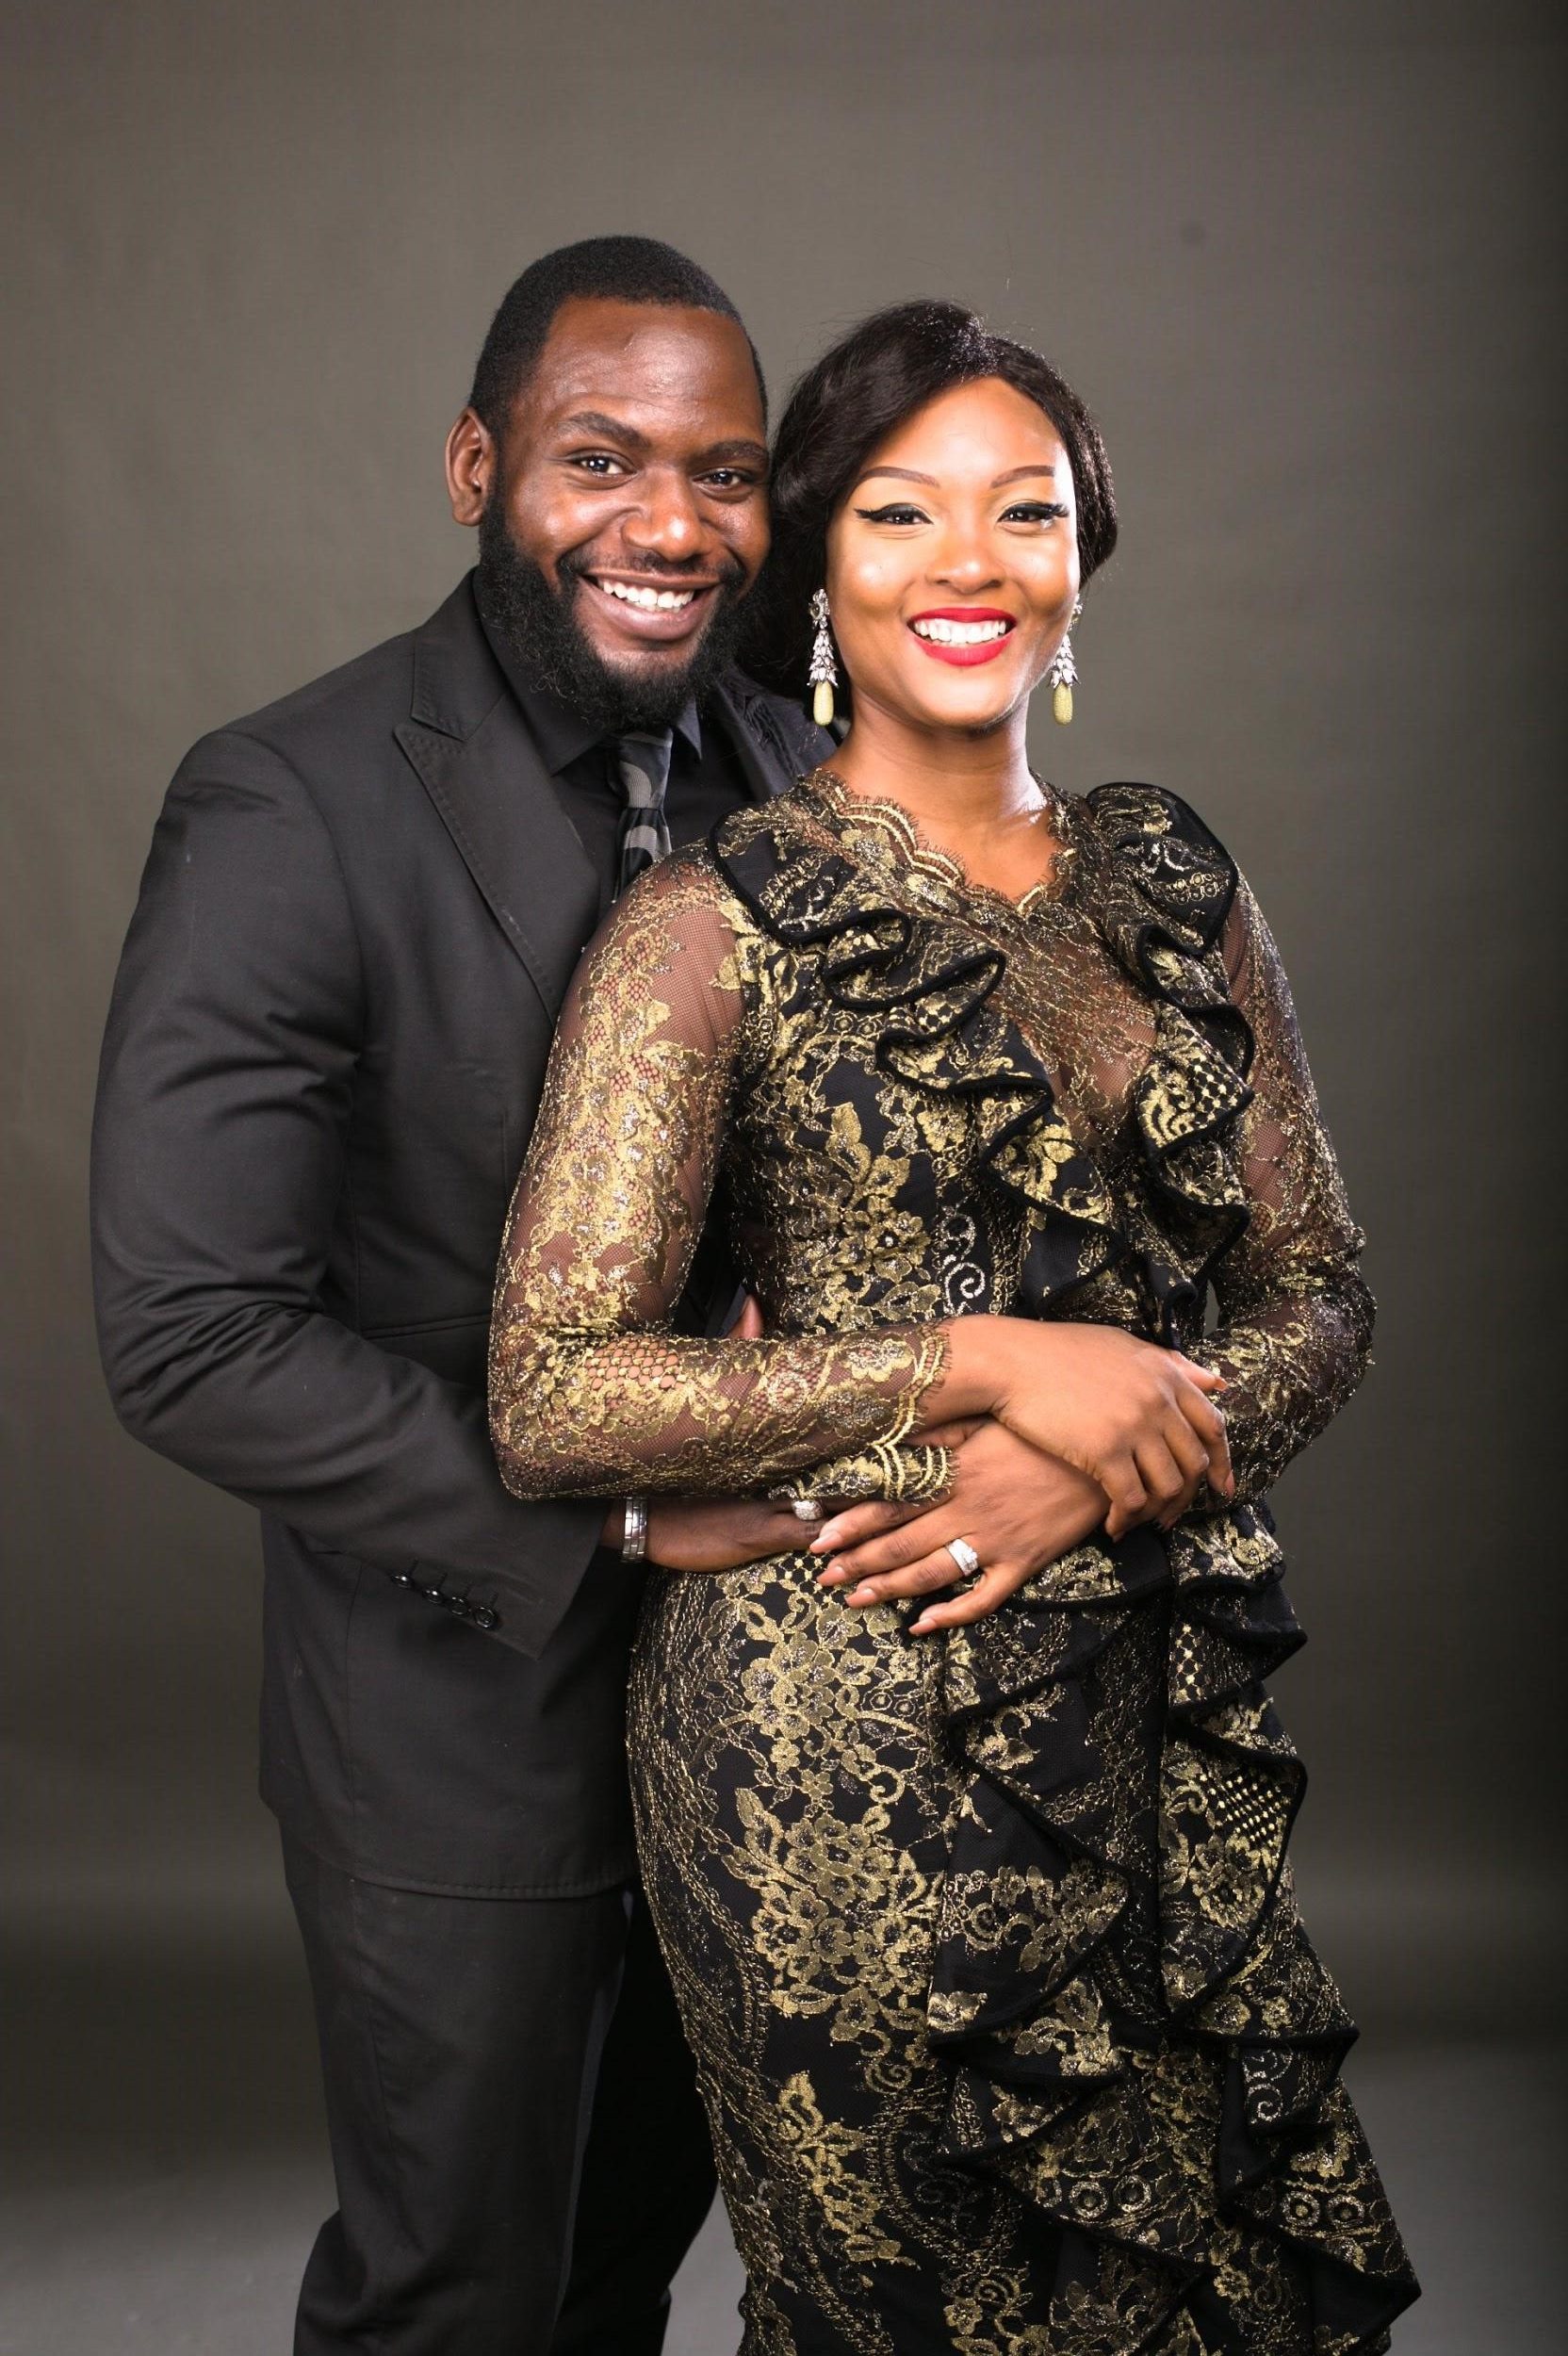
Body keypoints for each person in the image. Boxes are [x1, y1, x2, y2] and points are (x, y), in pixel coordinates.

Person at [489, 302, 1420, 2351]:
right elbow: (554, 1393)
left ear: (1084, 558)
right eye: (902, 513)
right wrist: (985, 1367)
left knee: (1199, 2289)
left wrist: (1092, 1471)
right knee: (919, 2307)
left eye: (1028, 510)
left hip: (1148, 1702)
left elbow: (1323, 1293)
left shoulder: (1171, 885)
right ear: (820, 567)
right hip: (834, 1745)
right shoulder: (708, 922)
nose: (970, 561)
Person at [92, 235, 858, 2356]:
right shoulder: (291, 798)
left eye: (723, 472)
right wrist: (621, 1506)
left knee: (620, 2282)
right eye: (599, 459)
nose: (671, 525)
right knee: (458, 2304)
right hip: (453, 1721)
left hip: (768, 1712)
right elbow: (190, 1332)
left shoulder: (809, 775)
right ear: (474, 468)